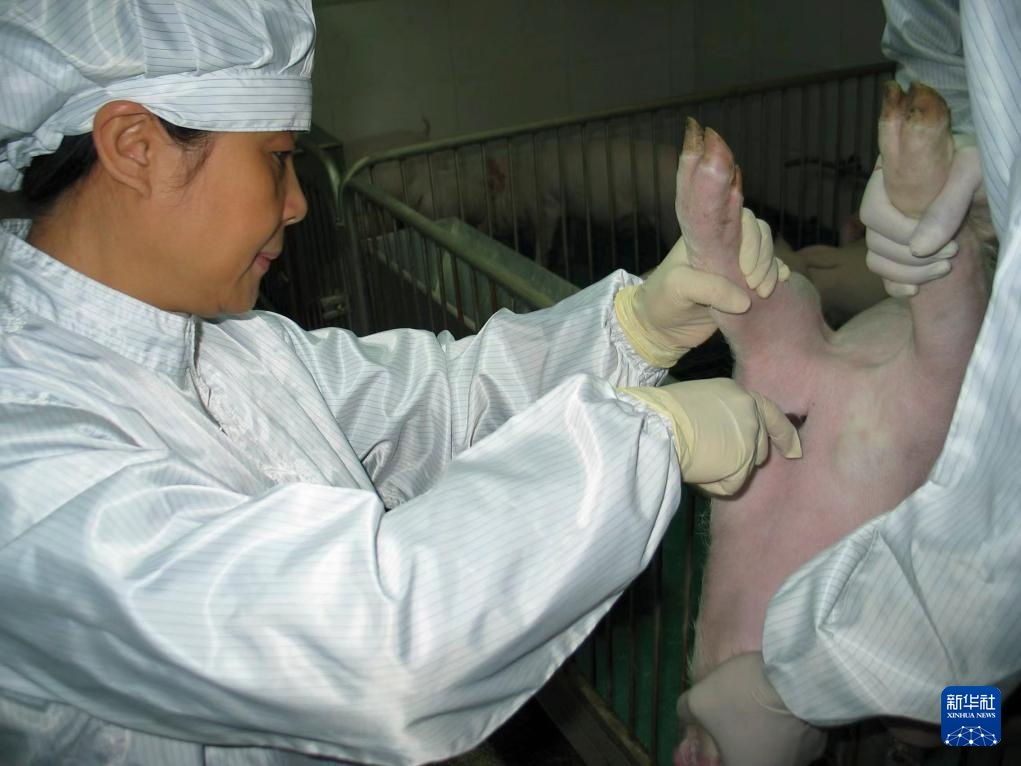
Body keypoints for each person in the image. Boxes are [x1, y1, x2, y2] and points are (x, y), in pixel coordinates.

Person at [0, 2, 800, 763]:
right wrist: (645, 441)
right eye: (276, 157)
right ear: (135, 146)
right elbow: (367, 643)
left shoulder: (228, 348)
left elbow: (437, 403)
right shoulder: (27, 448)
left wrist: (631, 327)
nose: (297, 203)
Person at [677, 1, 1021, 762]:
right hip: (904, 433)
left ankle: (716, 244)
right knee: (954, 713)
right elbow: (941, 50)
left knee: (776, 364)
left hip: (824, 426)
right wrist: (955, 728)